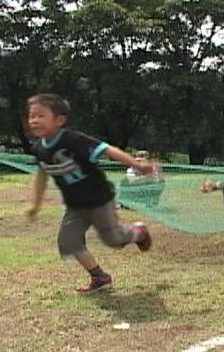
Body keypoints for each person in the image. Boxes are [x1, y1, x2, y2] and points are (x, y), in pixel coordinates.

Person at [25, 93, 155, 293]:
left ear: (59, 120)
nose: (34, 120)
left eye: (40, 115)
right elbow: (41, 175)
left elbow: (107, 150)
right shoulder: (39, 149)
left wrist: (137, 165)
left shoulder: (72, 139)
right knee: (68, 241)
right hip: (74, 206)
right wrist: (36, 204)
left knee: (113, 240)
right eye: (31, 116)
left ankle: (138, 232)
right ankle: (100, 277)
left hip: (99, 200)